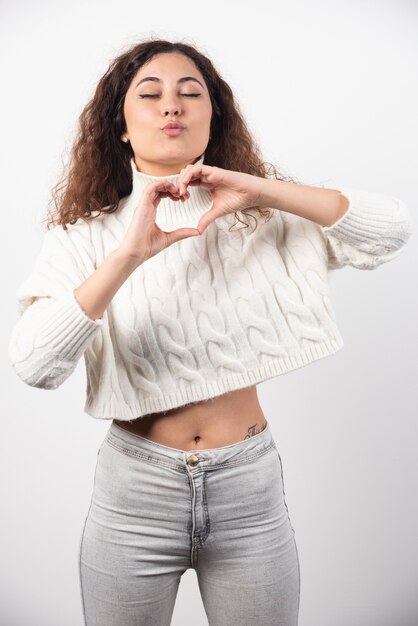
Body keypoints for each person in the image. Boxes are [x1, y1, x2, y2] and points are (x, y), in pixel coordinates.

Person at [8, 38, 412, 626]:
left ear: (213, 117)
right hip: (134, 492)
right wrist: (127, 256)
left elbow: (391, 231)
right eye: (149, 94)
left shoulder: (263, 213)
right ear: (119, 126)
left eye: (190, 93)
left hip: (249, 487)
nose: (171, 106)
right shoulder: (84, 237)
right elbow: (34, 365)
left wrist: (263, 189)